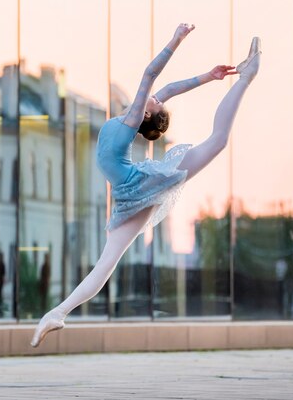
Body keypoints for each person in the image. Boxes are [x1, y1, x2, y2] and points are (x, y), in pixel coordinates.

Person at [31, 23, 261, 347]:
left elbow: (151, 74)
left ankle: (247, 77)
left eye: (155, 103)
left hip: (142, 186)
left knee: (216, 142)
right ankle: (58, 313)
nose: (155, 98)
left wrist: (176, 39)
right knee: (103, 266)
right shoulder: (135, 115)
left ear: (147, 114)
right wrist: (209, 76)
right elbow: (169, 88)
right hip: (128, 196)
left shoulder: (132, 119)